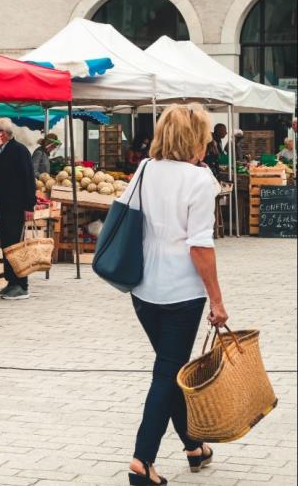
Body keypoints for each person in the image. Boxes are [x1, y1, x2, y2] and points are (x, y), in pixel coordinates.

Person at [120, 104, 227, 486]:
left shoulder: (145, 169)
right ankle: (142, 460)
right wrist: (217, 299)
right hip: (182, 292)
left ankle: (193, 446)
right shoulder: (201, 181)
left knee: (171, 368)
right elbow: (200, 245)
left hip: (143, 288)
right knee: (167, 373)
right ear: (195, 139)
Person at [0, 118, 35, 300]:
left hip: (17, 205)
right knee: (6, 245)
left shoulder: (19, 151)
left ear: (3, 134)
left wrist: (29, 205)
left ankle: (21, 284)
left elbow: (28, 179)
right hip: (3, 204)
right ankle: (11, 282)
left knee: (15, 245)